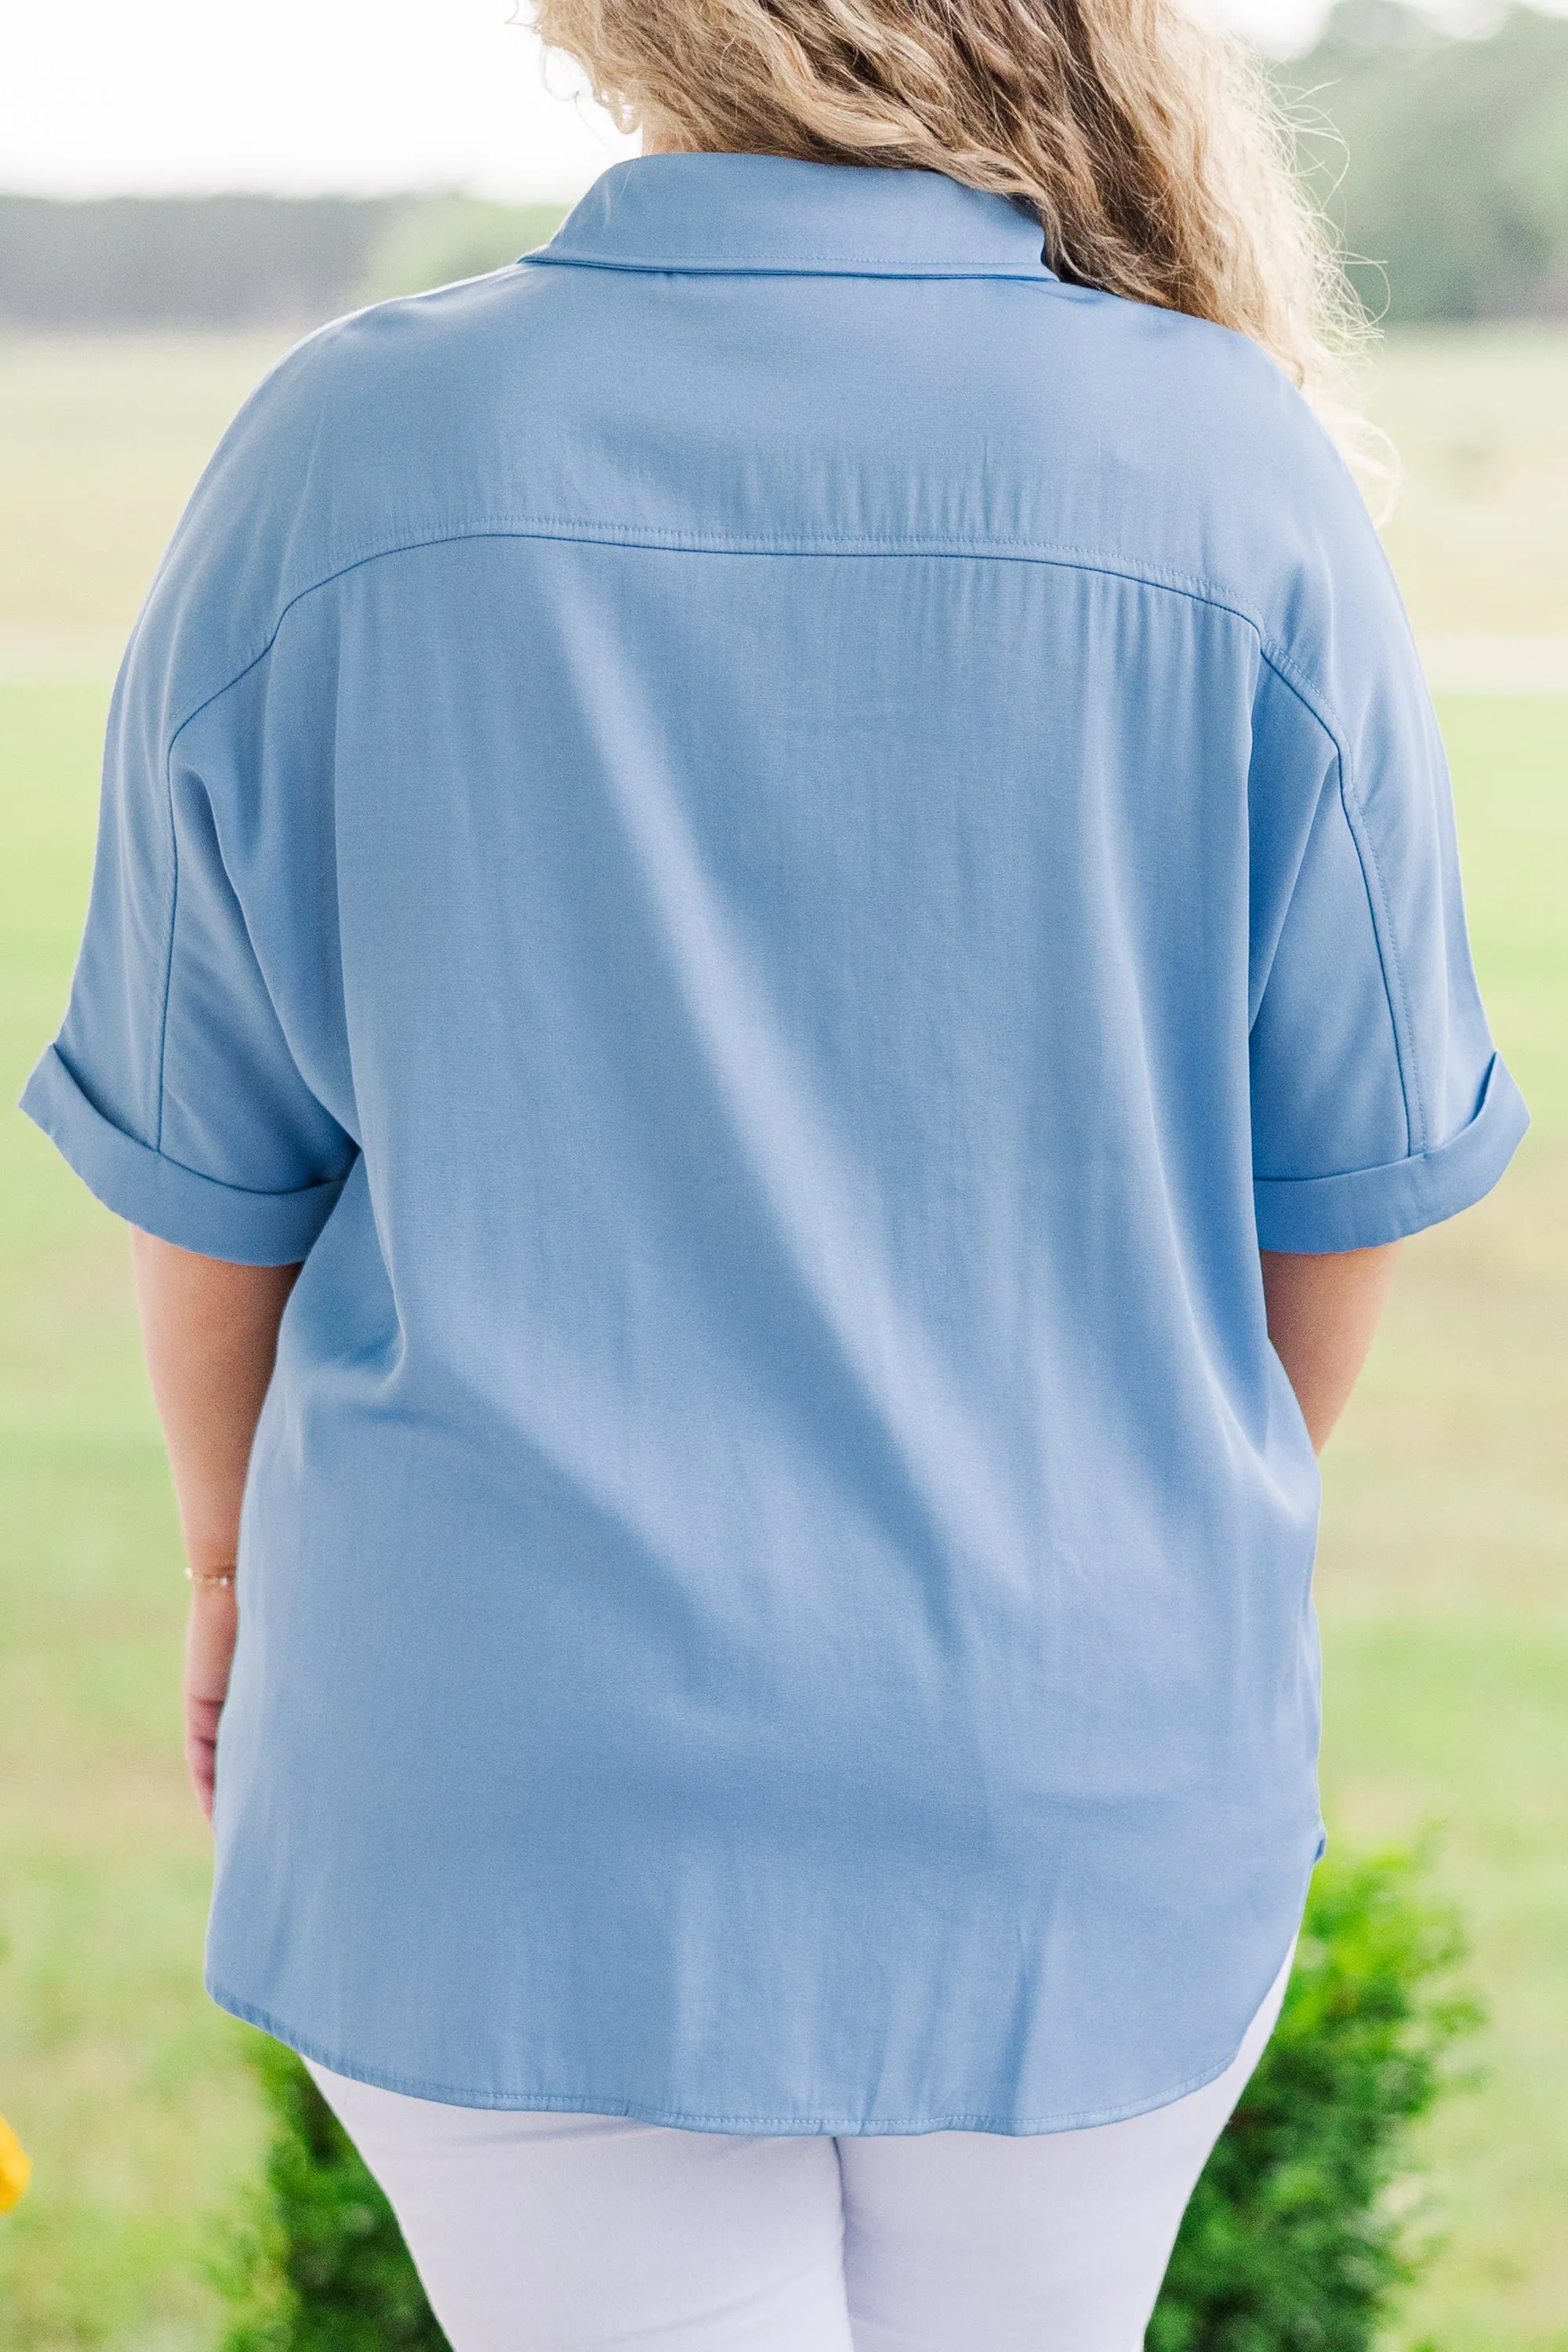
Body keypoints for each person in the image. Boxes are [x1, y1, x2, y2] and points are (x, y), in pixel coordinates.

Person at [24, 0, 1526, 2342]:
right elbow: (1338, 1188)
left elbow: (210, 1177)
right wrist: (1123, 1558)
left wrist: (238, 1582)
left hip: (494, 1784)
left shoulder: (346, 449)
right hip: (1073, 1792)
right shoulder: (1224, 467)